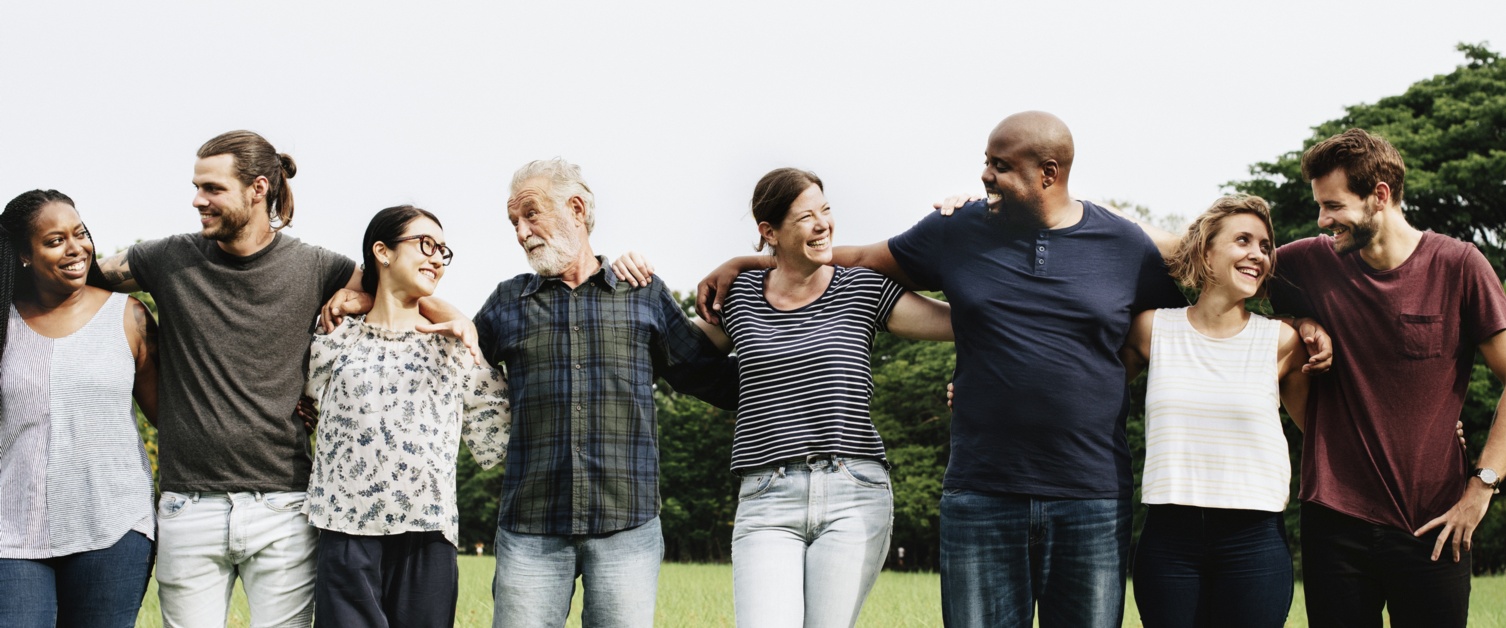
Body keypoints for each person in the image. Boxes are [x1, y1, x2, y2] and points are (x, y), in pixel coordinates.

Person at [698, 112, 1188, 627]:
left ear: (1048, 172)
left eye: (1000, 165)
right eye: (986, 162)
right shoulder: (958, 230)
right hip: (981, 492)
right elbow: (863, 256)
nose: (985, 175)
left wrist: (1110, 382)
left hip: (1091, 496)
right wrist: (753, 261)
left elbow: (1174, 331)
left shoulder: (1124, 245)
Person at [1127, 128, 1506, 627]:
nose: (1323, 221)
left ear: (1380, 196)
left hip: (1432, 519)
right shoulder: (1307, 262)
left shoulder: (1459, 266)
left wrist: (1481, 487)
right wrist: (1071, 210)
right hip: (1334, 521)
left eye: (1332, 206)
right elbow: (1200, 250)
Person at [618, 167, 953, 626]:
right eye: (805, 217)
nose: (823, 224)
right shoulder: (737, 296)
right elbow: (674, 352)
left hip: (853, 491)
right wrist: (629, 282)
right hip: (767, 497)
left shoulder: (863, 287)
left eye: (826, 211)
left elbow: (960, 323)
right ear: (769, 232)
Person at [474, 158, 739, 628]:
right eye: (514, 221)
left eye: (530, 214)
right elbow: (443, 373)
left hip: (628, 524)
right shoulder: (506, 302)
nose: (520, 231)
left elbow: (709, 376)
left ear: (575, 208)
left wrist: (798, 356)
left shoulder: (643, 293)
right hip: (530, 526)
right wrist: (365, 294)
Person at [302, 205, 511, 627]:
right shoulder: (333, 340)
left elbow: (499, 436)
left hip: (427, 537)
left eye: (443, 251)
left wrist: (457, 322)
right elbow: (294, 408)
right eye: (425, 244)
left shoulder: (456, 348)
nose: (437, 258)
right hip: (345, 534)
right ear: (382, 251)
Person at [1119, 194, 1309, 627]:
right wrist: (990, 392)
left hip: (1254, 540)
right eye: (1243, 240)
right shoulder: (1153, 329)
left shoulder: (1282, 341)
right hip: (1169, 539)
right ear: (1206, 251)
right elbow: (1081, 388)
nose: (1257, 255)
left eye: (1265, 246)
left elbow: (1326, 430)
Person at [0, 190, 159, 627]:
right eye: (54, 241)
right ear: (23, 255)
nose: (75, 249)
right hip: (12, 531)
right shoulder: (4, 324)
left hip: (113, 525)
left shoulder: (127, 316)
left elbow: (173, 415)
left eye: (80, 234)